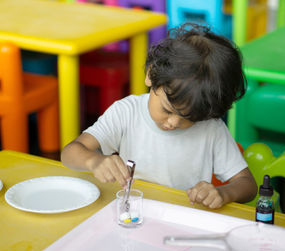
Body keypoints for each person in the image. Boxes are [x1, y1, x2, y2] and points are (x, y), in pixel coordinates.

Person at [61, 23, 258, 209]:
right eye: (167, 110)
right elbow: (69, 153)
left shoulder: (211, 128)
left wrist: (224, 193)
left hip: (182, 220)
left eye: (190, 118)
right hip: (134, 215)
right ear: (151, 74)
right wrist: (94, 161)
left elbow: (248, 185)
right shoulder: (126, 112)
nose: (173, 122)